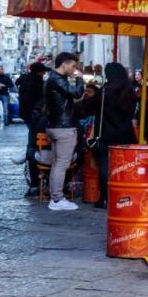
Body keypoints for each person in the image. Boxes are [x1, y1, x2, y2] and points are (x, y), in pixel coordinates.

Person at [77, 62, 138, 209]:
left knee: (105, 166)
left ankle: (105, 198)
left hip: (106, 133)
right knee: (125, 166)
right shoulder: (129, 90)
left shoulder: (105, 91)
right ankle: (124, 197)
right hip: (125, 134)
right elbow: (131, 114)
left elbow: (89, 108)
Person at [43, 52, 85, 211]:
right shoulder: (57, 79)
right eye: (73, 66)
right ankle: (57, 199)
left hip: (54, 126)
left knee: (57, 163)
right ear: (65, 64)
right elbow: (76, 93)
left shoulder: (52, 79)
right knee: (62, 164)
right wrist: (80, 78)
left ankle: (55, 197)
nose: (74, 69)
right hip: (63, 127)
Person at [16, 62, 49, 197]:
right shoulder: (39, 84)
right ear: (40, 72)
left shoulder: (23, 81)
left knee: (32, 143)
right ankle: (37, 183)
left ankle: (34, 184)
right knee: (35, 144)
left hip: (27, 115)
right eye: (43, 72)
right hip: (36, 117)